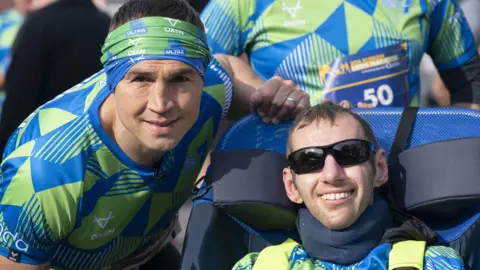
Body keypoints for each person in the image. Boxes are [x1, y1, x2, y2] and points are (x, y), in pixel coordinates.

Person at [0, 0, 310, 269]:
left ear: (201, 78)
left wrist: (277, 101)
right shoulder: (45, 173)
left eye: (180, 79)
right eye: (141, 78)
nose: (161, 104)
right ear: (111, 80)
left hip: (146, 249)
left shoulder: (212, 90)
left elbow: (225, 67)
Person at [232, 102, 465, 269]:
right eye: (309, 159)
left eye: (350, 153)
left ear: (380, 169)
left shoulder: (433, 263)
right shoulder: (254, 266)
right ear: (291, 185)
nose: (332, 174)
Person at [201, 0, 480, 109]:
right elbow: (194, 76)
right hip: (290, 180)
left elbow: (470, 86)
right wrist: (258, 98)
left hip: (404, 178)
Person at [0, 0, 111, 156]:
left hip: (42, 147)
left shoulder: (39, 24)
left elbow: (19, 96)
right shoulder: (107, 23)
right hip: (95, 144)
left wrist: (5, 149)